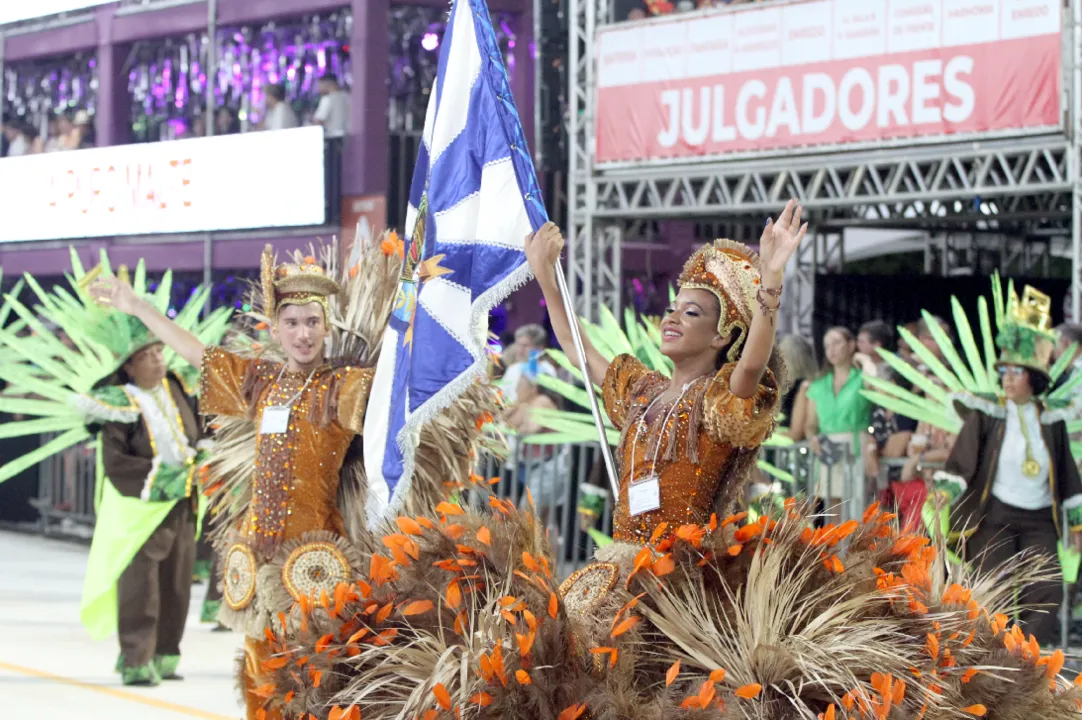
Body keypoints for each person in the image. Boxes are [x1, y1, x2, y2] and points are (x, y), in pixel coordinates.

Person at [0, 260, 227, 687]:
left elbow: (194, 435)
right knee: (141, 587)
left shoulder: (178, 388)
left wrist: (202, 459)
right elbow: (118, 464)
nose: (159, 360)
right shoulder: (117, 404)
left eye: (161, 351)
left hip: (179, 505)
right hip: (136, 510)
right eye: (150, 355)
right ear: (130, 366)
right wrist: (168, 476)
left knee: (177, 585)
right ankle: (136, 658)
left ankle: (166, 654)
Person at [527, 201, 803, 543]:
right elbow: (576, 347)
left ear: (722, 336)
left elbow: (751, 364)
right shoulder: (641, 390)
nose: (671, 318)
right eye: (672, 309)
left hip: (682, 575)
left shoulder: (719, 397)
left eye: (690, 313)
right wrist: (545, 275)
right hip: (625, 561)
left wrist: (772, 279)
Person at [935, 285, 1082, 646]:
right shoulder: (988, 413)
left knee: (1047, 592)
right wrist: (945, 490)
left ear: (1033, 377)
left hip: (1039, 520)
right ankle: (994, 663)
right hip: (994, 515)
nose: (1008, 377)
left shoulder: (1052, 418)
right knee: (995, 592)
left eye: (1016, 371)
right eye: (1005, 371)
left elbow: (1067, 475)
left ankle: (1022, 662)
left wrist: (1076, 526)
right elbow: (961, 459)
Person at [804, 327, 874, 519]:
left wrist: (866, 361)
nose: (831, 349)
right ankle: (834, 549)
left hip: (856, 445)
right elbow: (810, 424)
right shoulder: (818, 384)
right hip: (827, 448)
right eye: (827, 345)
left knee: (859, 509)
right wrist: (812, 438)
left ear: (851, 345)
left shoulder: (861, 378)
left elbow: (879, 390)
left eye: (836, 343)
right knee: (833, 510)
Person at [312, 73, 350, 138]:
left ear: (327, 85)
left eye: (319, 85)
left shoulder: (327, 99)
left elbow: (318, 120)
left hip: (333, 138)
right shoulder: (348, 96)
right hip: (349, 136)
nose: (318, 89)